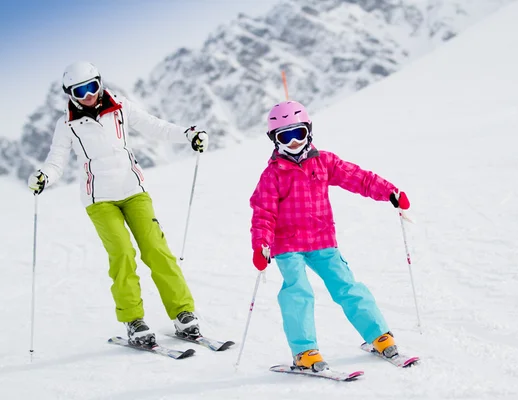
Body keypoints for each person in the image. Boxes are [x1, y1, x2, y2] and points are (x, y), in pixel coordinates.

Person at [27, 61, 209, 347]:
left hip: (134, 191)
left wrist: (188, 134)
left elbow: (154, 126)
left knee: (156, 250)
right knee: (123, 255)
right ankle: (133, 320)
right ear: (70, 94)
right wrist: (44, 177)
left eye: (92, 87)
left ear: (100, 84)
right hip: (99, 200)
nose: (88, 95)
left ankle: (183, 313)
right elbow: (56, 160)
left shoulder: (120, 107)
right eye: (80, 91)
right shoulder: (67, 125)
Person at [249, 100, 411, 371]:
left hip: (322, 240)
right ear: (273, 139)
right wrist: (261, 244)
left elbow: (359, 178)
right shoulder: (272, 174)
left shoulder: (324, 162)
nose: (292, 143)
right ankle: (305, 352)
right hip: (287, 245)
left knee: (348, 287)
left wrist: (390, 192)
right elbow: (263, 212)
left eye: (297, 134)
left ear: (308, 131)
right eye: (284, 137)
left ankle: (378, 336)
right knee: (298, 292)